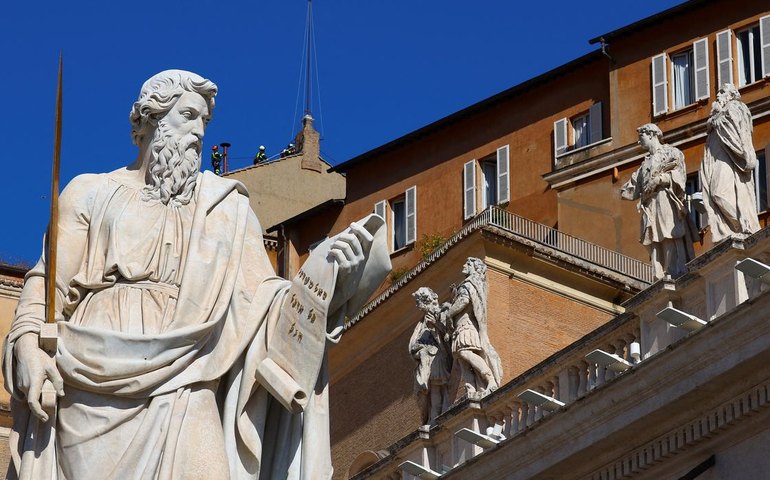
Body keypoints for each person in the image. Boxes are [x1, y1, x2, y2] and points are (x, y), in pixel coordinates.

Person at [4, 70, 390, 480]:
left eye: (204, 122)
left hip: (191, 374)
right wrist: (28, 344)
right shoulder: (91, 192)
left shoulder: (225, 209)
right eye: (189, 116)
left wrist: (323, 276)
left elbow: (261, 304)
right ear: (152, 117)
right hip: (91, 379)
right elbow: (48, 285)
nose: (199, 132)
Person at [621, 123, 695, 280]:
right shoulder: (644, 165)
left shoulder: (671, 152)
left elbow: (680, 176)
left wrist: (659, 179)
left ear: (651, 134)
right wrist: (624, 190)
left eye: (641, 137)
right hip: (650, 206)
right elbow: (631, 189)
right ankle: (659, 274)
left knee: (668, 233)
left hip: (665, 199)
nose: (638, 142)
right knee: (654, 238)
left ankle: (675, 271)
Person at [699, 83, 761, 243]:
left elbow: (736, 130)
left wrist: (716, 121)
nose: (717, 96)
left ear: (731, 95)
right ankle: (737, 227)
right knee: (715, 195)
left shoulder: (734, 107)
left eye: (722, 92)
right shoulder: (717, 117)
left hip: (728, 160)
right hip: (718, 160)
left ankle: (743, 225)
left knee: (718, 193)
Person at [439, 258, 502, 395]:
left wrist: (449, 313)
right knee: (462, 360)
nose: (464, 265)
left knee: (464, 353)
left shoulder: (469, 284)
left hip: (467, 325)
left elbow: (464, 301)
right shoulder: (471, 284)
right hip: (460, 327)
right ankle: (471, 389)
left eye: (467, 264)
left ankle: (489, 379)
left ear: (475, 267)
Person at [409, 287, 451, 425]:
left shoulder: (442, 312)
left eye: (419, 302)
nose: (417, 306)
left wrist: (435, 325)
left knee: (440, 389)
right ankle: (433, 420)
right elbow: (413, 343)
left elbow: (447, 334)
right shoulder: (421, 322)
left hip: (438, 357)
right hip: (427, 360)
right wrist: (418, 349)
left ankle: (441, 417)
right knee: (431, 392)